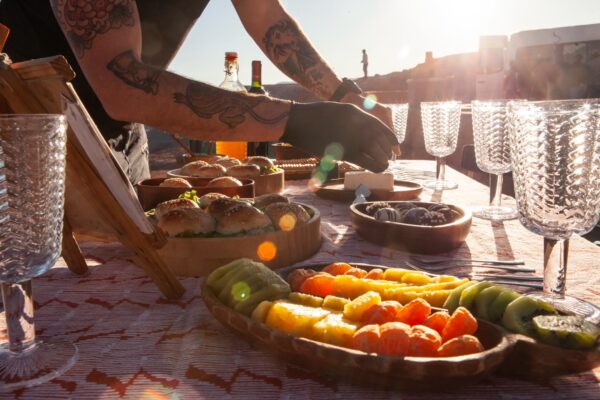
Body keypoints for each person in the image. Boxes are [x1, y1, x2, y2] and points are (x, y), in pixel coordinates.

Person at [0, 0, 397, 184]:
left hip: (125, 128)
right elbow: (121, 82)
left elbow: (266, 17)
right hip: (32, 132)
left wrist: (344, 94)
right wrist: (297, 121)